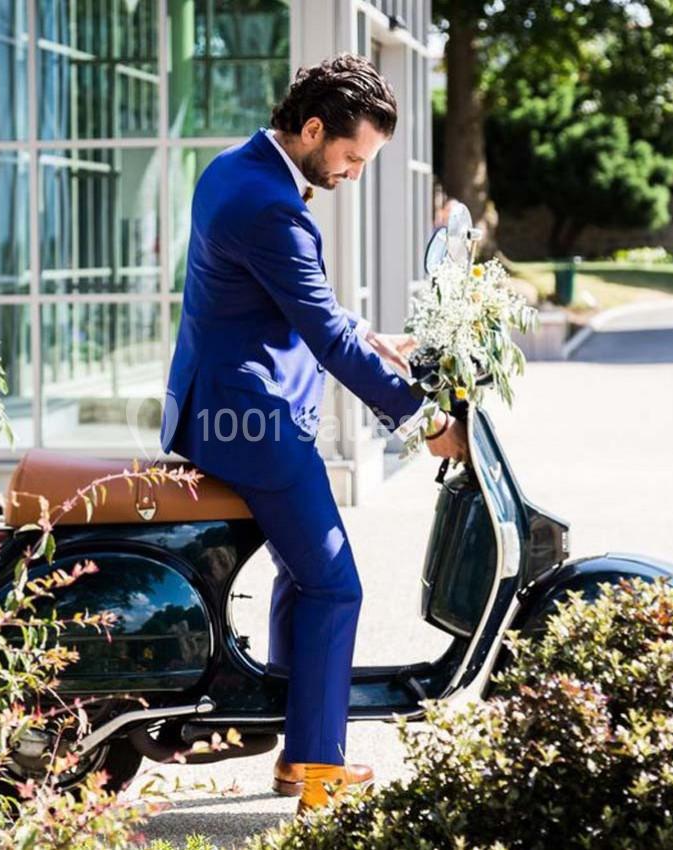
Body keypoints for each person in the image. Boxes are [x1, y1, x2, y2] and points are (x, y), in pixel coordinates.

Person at [159, 53, 468, 815]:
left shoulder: (235, 167)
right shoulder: (270, 206)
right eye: (352, 156)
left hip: (221, 403)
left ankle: (303, 758)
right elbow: (322, 334)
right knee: (335, 584)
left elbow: (286, 299)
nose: (356, 173)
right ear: (312, 128)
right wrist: (422, 419)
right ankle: (320, 773)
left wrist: (372, 337)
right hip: (251, 422)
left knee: (306, 576)